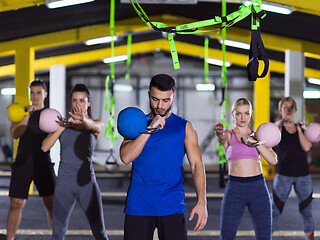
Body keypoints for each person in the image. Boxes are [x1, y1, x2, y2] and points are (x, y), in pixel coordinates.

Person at [119, 74, 208, 240]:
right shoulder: (136, 123)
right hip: (139, 205)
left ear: (173, 97)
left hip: (172, 205)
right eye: (155, 99)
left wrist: (202, 202)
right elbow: (126, 157)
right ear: (148, 95)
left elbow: (196, 164)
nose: (160, 105)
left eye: (166, 100)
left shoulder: (184, 127)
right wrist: (150, 129)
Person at [41, 84, 108, 240]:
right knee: (57, 234)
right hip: (64, 185)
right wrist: (63, 125)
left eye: (82, 100)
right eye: (75, 100)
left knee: (100, 233)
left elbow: (92, 125)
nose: (78, 105)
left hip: (87, 186)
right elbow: (45, 147)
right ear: (71, 102)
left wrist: (83, 119)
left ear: (89, 103)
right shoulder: (63, 125)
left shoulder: (96, 125)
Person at [214, 98, 278, 240]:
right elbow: (221, 138)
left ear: (251, 114)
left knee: (264, 236)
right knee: (226, 236)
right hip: (235, 189)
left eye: (246, 113)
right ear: (233, 114)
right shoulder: (228, 135)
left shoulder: (259, 136)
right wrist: (218, 132)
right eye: (239, 114)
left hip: (258, 189)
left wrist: (255, 143)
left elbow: (273, 160)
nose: (243, 117)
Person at [6, 79, 56, 240]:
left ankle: (58, 237)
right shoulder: (21, 113)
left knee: (51, 205)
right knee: (16, 204)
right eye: (32, 93)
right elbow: (15, 133)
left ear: (45, 94)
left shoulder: (51, 115)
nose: (35, 96)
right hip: (23, 164)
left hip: (43, 163)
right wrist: (28, 114)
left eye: (38, 92)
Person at [272, 97, 314, 240]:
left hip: (303, 175)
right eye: (285, 107)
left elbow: (307, 147)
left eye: (291, 107)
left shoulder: (300, 127)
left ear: (295, 110)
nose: (288, 110)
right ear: (280, 110)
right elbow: (269, 132)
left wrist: (298, 129)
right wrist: (281, 122)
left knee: (306, 211)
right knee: (275, 211)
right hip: (283, 174)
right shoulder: (277, 128)